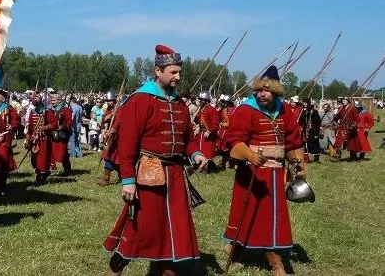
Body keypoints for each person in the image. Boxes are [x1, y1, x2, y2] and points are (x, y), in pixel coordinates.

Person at [103, 45, 202, 276]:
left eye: (179, 72)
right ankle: (114, 270)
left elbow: (186, 140)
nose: (178, 77)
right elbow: (127, 146)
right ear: (158, 71)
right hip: (149, 175)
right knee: (142, 230)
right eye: (173, 72)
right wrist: (128, 179)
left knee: (171, 232)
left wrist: (195, 154)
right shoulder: (140, 100)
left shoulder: (180, 104)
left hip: (176, 177)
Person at [222, 65, 305, 276]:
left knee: (264, 218)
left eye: (267, 90)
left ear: (276, 91)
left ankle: (235, 249)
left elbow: (293, 142)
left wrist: (298, 165)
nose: (262, 94)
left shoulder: (285, 110)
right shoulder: (245, 110)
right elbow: (233, 142)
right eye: (259, 90)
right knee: (256, 216)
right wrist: (249, 155)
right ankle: (276, 265)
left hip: (276, 174)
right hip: (252, 173)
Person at [0, 88, 21, 195]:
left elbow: (17, 121)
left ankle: (2, 185)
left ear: (3, 99)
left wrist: (11, 126)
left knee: (3, 162)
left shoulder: (9, 110)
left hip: (5, 139)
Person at [24, 91, 58, 186]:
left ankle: (40, 176)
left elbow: (55, 124)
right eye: (34, 97)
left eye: (37, 97)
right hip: (34, 139)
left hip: (44, 139)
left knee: (42, 159)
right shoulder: (32, 112)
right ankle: (43, 172)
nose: (35, 99)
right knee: (34, 159)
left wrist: (46, 127)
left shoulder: (47, 112)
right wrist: (28, 138)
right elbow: (30, 126)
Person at [188, 91, 219, 173]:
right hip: (200, 133)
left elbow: (215, 125)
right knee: (200, 151)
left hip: (208, 135)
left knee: (207, 153)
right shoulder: (201, 109)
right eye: (200, 100)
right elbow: (198, 121)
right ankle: (201, 166)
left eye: (202, 100)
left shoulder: (212, 110)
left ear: (206, 101)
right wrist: (195, 117)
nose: (200, 101)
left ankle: (206, 170)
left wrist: (209, 131)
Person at [50, 92, 73, 176]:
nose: (52, 102)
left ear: (59, 100)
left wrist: (63, 126)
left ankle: (67, 170)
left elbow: (69, 122)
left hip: (62, 134)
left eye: (54, 100)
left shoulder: (66, 110)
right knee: (51, 152)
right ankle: (52, 169)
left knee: (63, 154)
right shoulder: (51, 110)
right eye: (51, 100)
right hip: (53, 133)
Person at [300, 99, 322, 163]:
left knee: (314, 143)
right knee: (306, 143)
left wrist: (316, 133)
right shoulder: (303, 111)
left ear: (309, 103)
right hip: (305, 130)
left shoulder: (314, 111)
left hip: (313, 130)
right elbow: (302, 121)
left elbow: (318, 123)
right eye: (303, 103)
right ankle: (307, 157)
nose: (304, 104)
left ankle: (315, 158)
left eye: (306, 103)